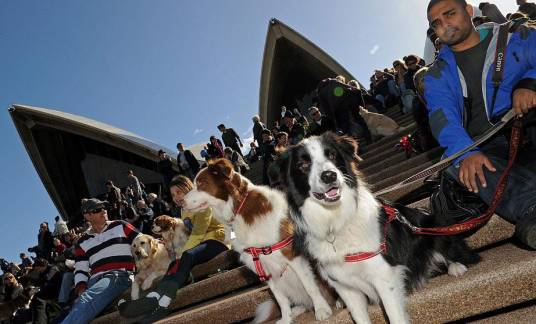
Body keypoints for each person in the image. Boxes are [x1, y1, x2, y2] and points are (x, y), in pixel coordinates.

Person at [425, 0, 536, 248]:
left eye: (449, 14)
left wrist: (530, 82)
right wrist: (467, 153)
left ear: (468, 11)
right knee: (459, 162)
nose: (444, 25)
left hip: (528, 125)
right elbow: (442, 118)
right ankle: (532, 204)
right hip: (488, 146)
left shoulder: (515, 35)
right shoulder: (436, 74)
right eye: (436, 23)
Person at [118, 176, 228, 321]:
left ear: (188, 188)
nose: (176, 197)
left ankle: (158, 300)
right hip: (198, 244)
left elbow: (198, 233)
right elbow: (189, 234)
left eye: (179, 192)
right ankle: (158, 301)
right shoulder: (184, 209)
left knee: (186, 256)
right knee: (174, 263)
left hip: (216, 240)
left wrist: (181, 254)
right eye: (173, 194)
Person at [60, 198, 138, 323]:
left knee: (86, 299)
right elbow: (80, 268)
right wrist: (81, 288)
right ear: (87, 216)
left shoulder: (120, 225)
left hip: (120, 275)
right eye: (98, 210)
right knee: (73, 307)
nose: (104, 211)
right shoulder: (82, 242)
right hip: (94, 281)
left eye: (104, 208)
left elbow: (143, 241)